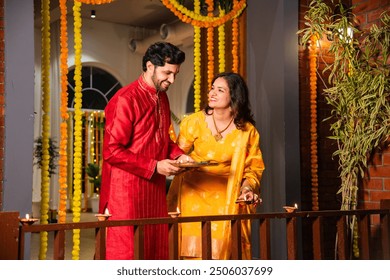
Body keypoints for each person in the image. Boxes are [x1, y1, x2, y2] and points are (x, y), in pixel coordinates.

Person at [99, 42, 189, 260]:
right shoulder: (125, 99)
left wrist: (179, 155)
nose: (172, 80)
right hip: (126, 192)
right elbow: (111, 151)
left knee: (155, 250)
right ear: (150, 66)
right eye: (167, 72)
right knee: (128, 253)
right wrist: (155, 166)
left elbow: (161, 140)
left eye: (175, 74)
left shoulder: (162, 97)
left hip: (154, 190)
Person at [167, 72, 265, 260]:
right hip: (191, 197)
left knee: (221, 256)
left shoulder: (247, 131)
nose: (212, 93)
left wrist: (247, 189)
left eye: (220, 90)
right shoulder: (194, 122)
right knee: (190, 254)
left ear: (234, 96)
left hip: (225, 200)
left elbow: (253, 168)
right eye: (212, 88)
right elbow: (177, 153)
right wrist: (182, 160)